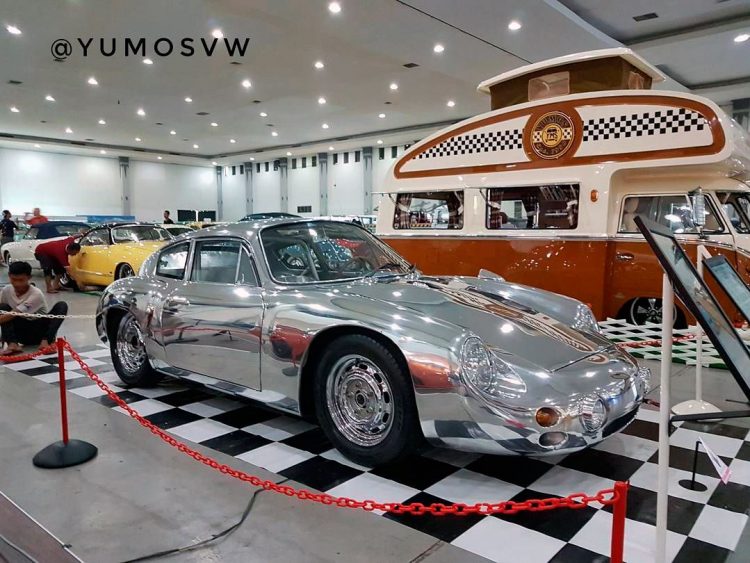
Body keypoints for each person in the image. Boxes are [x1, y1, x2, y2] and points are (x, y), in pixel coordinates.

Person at [0, 261, 67, 355]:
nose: (17, 284)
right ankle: (13, 343)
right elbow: (3, 313)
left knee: (61, 305)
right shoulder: (6, 290)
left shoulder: (36, 293)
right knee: (3, 307)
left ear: (29, 277)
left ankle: (46, 341)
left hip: (40, 331)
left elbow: (12, 314)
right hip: (21, 333)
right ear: (9, 276)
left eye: (21, 280)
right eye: (14, 279)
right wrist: (5, 336)